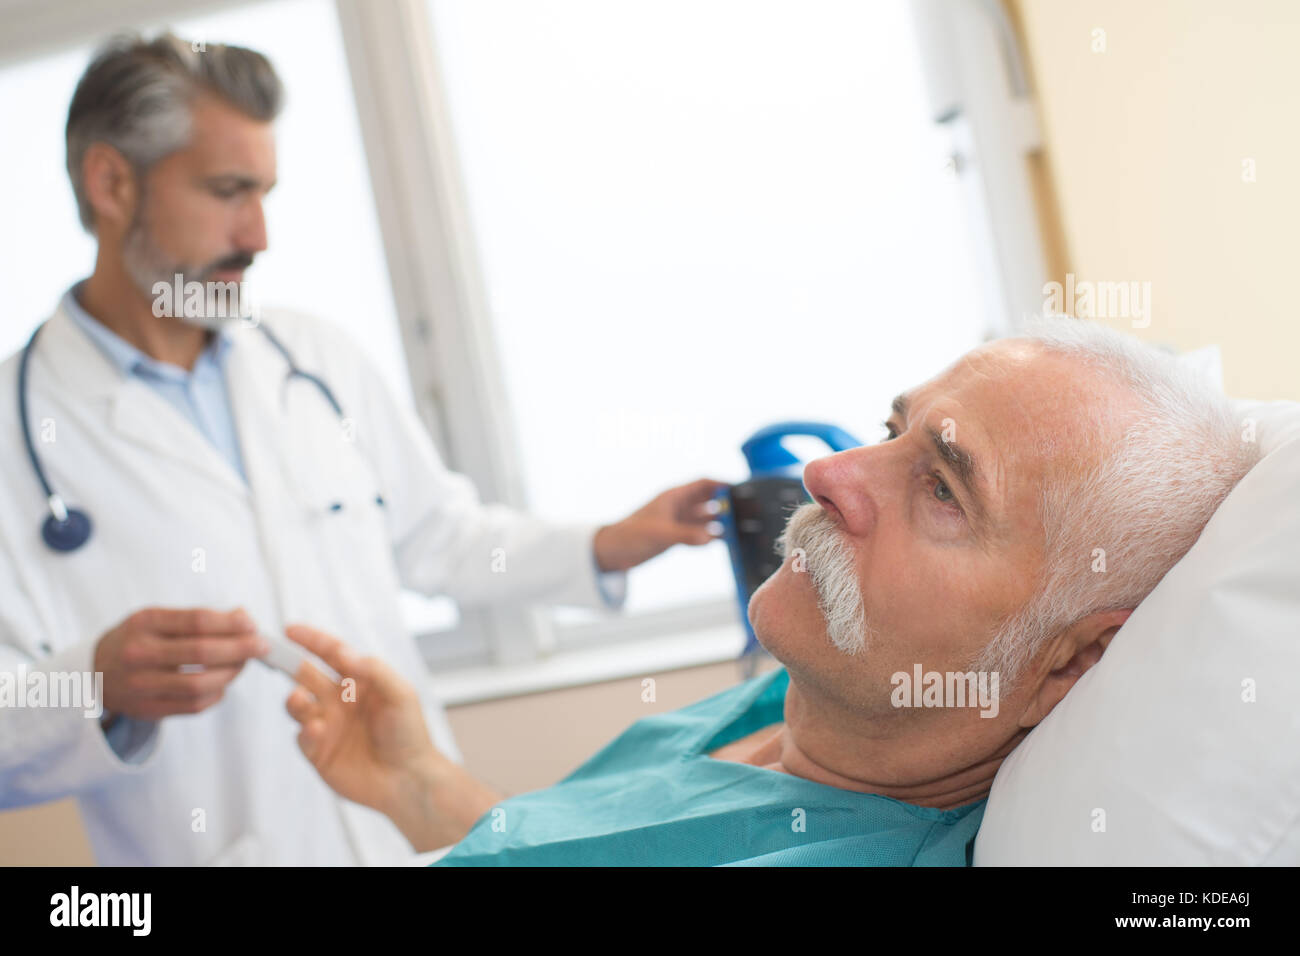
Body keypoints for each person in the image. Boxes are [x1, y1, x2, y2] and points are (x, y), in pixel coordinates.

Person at [0, 33, 722, 865]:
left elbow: (441, 539)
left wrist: (604, 544)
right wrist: (97, 684)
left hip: (406, 840)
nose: (260, 233)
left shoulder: (316, 361)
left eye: (266, 193)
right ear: (112, 181)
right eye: (229, 192)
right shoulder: (21, 433)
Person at [284, 319, 1259, 865]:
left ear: (1071, 658)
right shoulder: (796, 700)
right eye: (891, 427)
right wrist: (417, 783)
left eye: (942, 487)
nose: (832, 471)